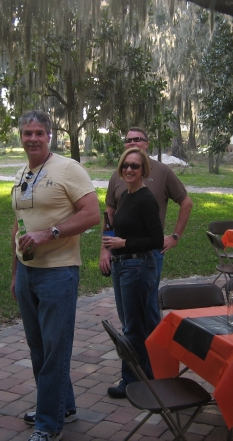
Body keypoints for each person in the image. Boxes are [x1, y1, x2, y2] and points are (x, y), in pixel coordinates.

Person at [11, 110, 100, 441]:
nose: (32, 138)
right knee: (39, 348)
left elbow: (92, 214)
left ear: (49, 136)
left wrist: (51, 233)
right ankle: (63, 406)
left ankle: (48, 424)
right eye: (26, 133)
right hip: (27, 273)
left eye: (38, 132)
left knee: (54, 349)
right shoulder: (22, 172)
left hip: (58, 272)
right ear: (21, 137)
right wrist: (15, 272)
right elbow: (18, 227)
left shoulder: (68, 168)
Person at [99, 127, 193, 398]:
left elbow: (185, 204)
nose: (132, 145)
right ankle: (153, 372)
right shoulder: (121, 184)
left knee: (142, 318)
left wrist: (174, 236)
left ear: (147, 145)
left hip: (144, 261)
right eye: (128, 141)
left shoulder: (158, 177)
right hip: (122, 261)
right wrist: (105, 248)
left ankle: (141, 377)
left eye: (137, 140)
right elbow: (109, 216)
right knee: (140, 318)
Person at [102, 147, 164, 396]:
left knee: (133, 328)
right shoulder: (126, 196)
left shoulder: (146, 199)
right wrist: (111, 246)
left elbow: (157, 240)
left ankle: (132, 382)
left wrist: (123, 243)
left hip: (138, 266)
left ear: (143, 170)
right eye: (125, 165)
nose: (129, 169)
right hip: (122, 266)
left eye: (134, 166)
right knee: (132, 323)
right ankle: (148, 375)